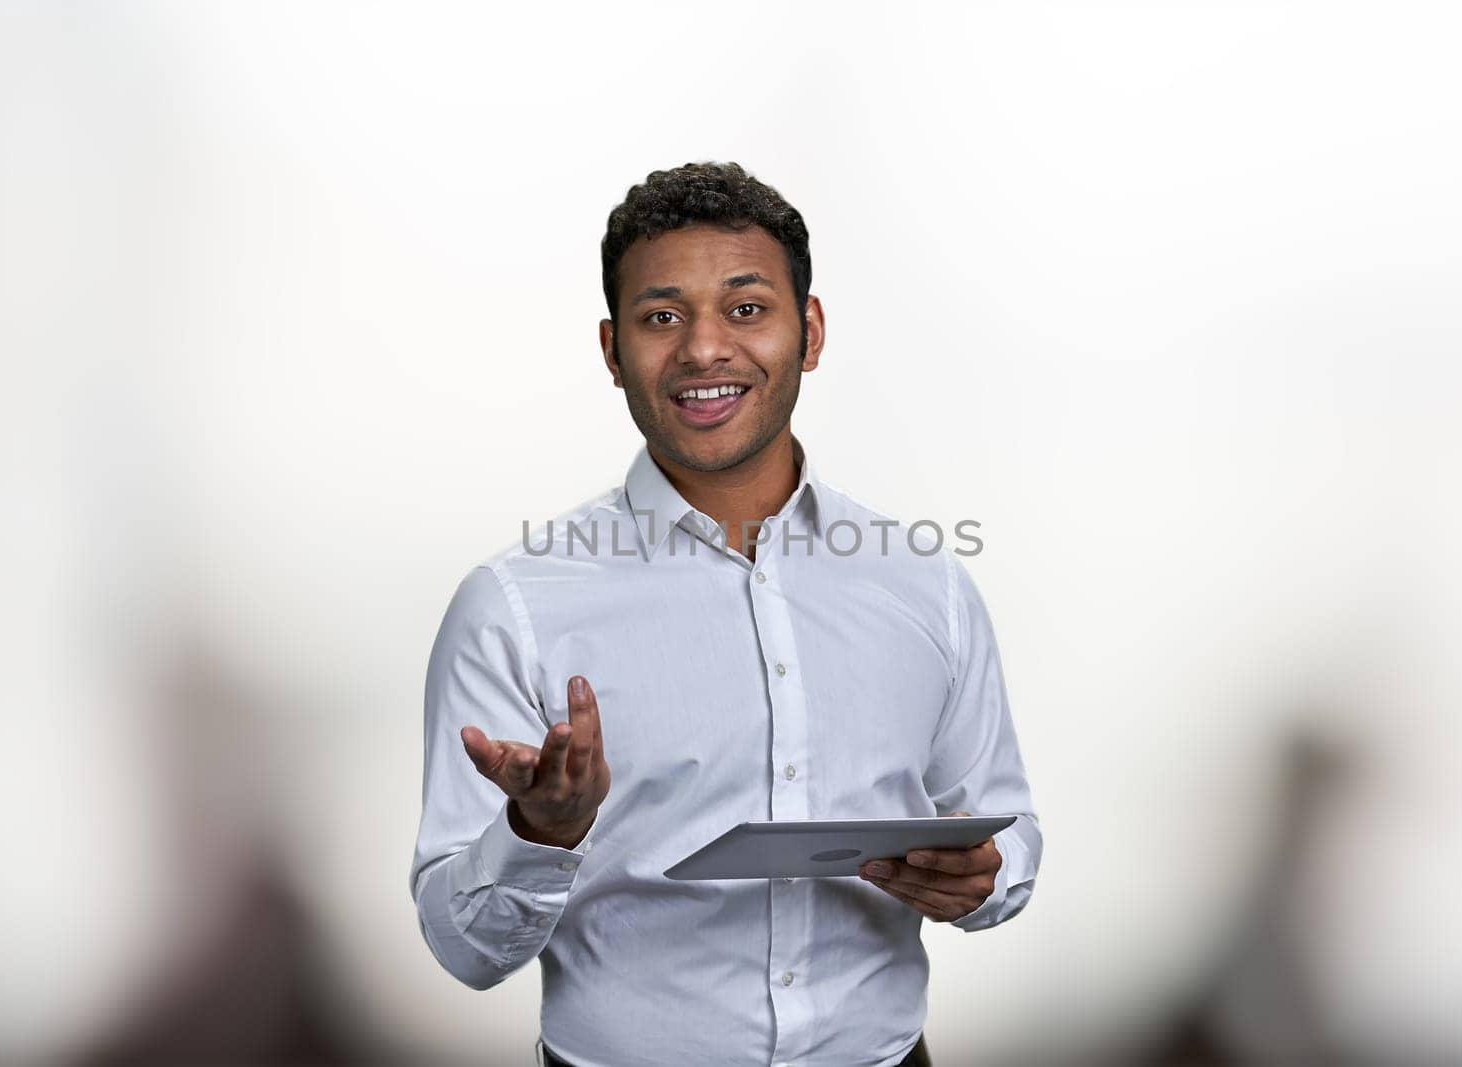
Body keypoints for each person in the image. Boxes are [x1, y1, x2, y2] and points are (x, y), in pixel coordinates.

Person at [409, 161, 1043, 1067]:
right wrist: (540, 832)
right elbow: (462, 947)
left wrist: (985, 877)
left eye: (746, 308)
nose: (705, 348)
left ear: (810, 331)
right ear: (611, 349)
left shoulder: (926, 585)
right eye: (661, 316)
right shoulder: (512, 604)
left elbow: (1009, 831)